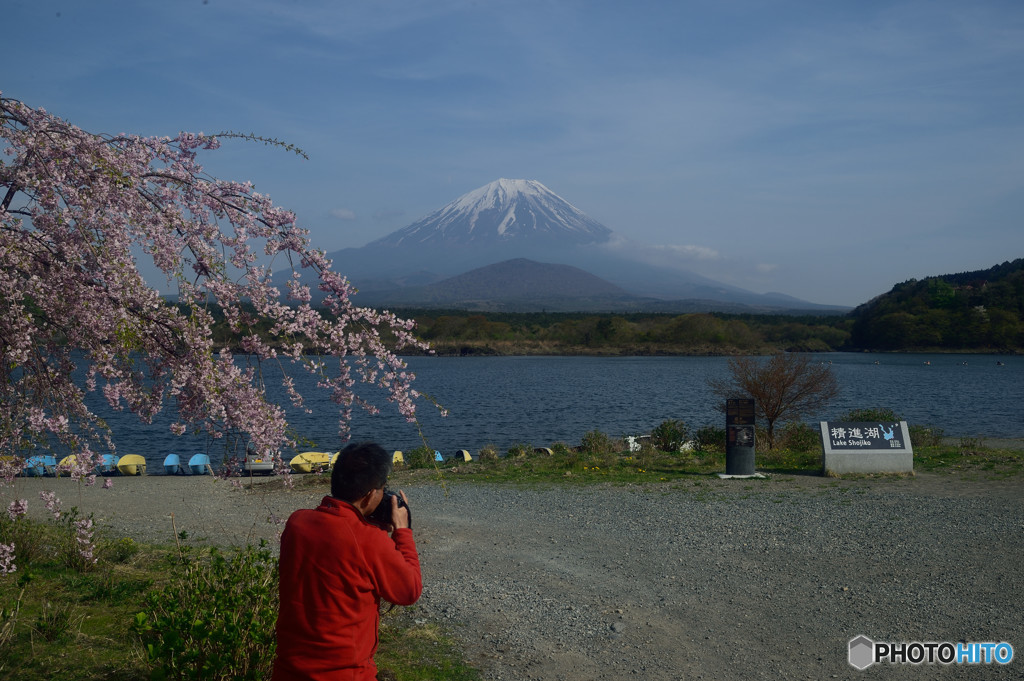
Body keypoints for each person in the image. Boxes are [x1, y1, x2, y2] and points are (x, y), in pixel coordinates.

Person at [272, 441, 422, 681]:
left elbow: (341, 549)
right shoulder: (369, 541)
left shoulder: (297, 523)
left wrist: (371, 528)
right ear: (371, 493)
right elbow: (409, 590)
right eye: (383, 487)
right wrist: (402, 532)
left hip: (289, 671)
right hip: (345, 675)